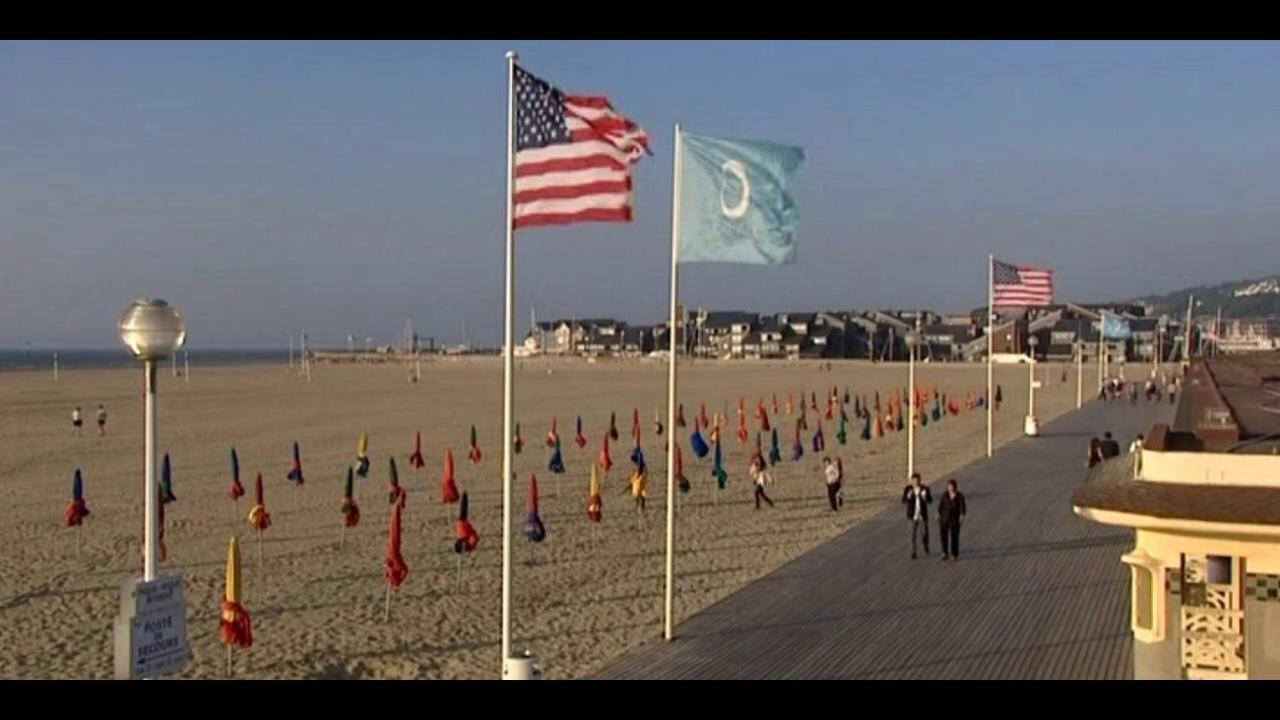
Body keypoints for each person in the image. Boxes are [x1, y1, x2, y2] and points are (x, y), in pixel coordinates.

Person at [901, 472, 931, 559]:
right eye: (914, 481)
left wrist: (925, 497)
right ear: (911, 481)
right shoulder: (908, 489)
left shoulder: (925, 488)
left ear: (920, 481)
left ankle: (925, 545)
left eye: (917, 481)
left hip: (922, 516)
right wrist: (908, 496)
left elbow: (930, 500)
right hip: (912, 516)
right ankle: (913, 552)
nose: (916, 483)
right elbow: (903, 500)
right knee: (912, 535)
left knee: (924, 534)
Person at [937, 479, 967, 561]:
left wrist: (962, 515)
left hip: (954, 519)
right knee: (943, 537)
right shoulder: (944, 495)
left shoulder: (960, 496)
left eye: (952, 486)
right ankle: (944, 552)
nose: (950, 488)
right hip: (944, 519)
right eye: (949, 486)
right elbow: (941, 505)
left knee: (954, 537)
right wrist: (938, 513)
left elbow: (962, 507)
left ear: (955, 487)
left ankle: (954, 554)